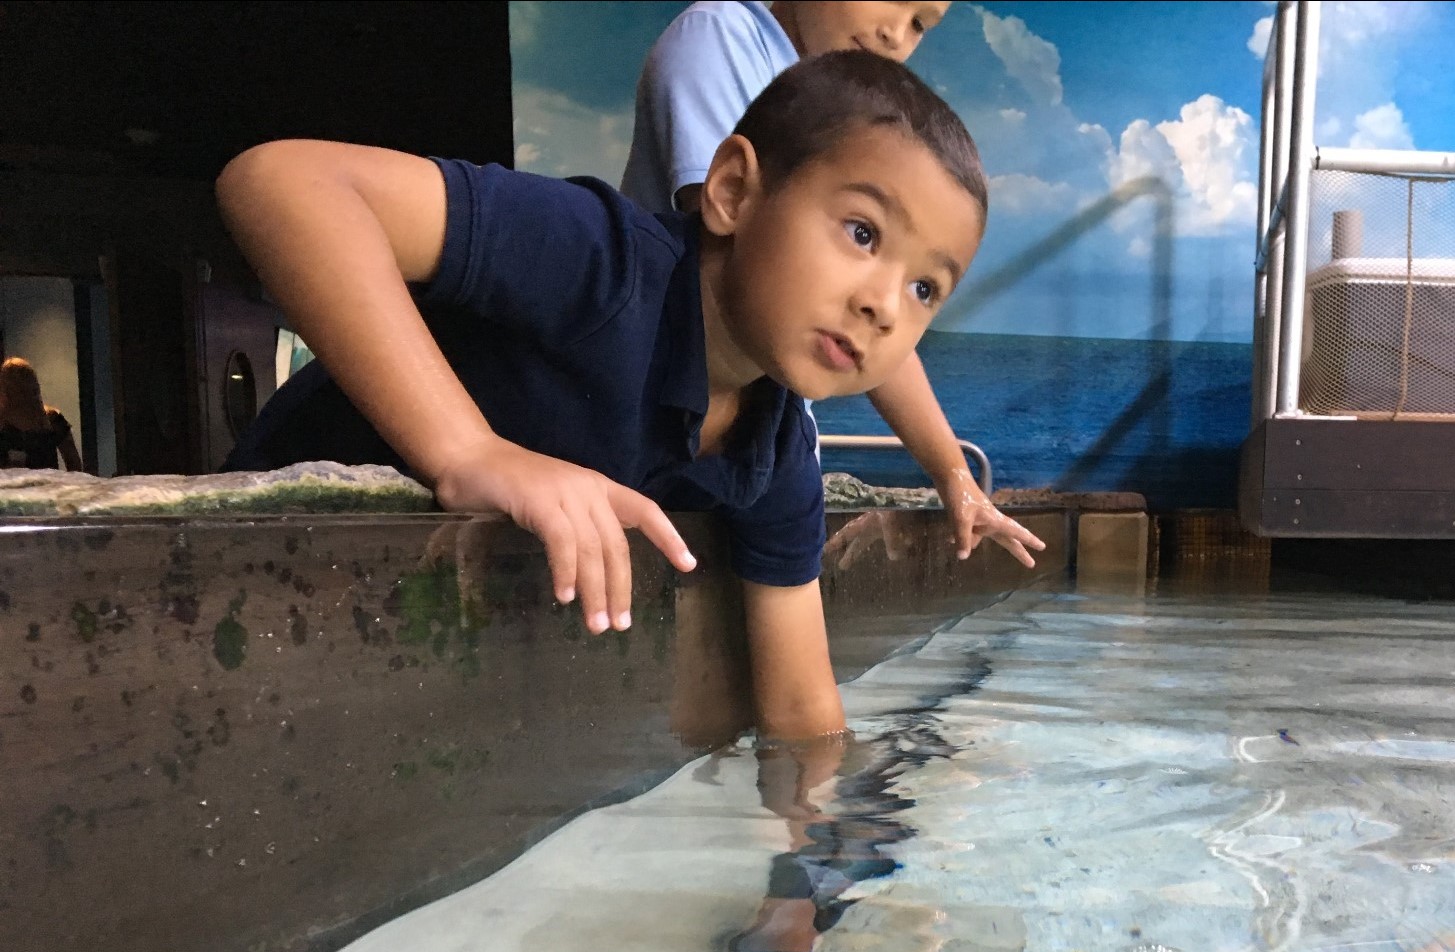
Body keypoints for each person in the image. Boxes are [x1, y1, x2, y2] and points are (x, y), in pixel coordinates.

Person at [218, 51, 988, 742]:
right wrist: (469, 451)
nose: (886, 305)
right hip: (240, 578)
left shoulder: (774, 455)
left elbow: (799, 711)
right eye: (862, 231)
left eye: (926, 288)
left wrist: (810, 887)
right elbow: (284, 183)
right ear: (731, 191)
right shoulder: (600, 260)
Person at [621, 1, 1045, 569]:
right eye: (861, 232)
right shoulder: (723, 35)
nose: (898, 32)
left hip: (755, 457)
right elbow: (745, 253)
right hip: (653, 426)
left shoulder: (781, 444)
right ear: (736, 187)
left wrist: (955, 477)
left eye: (921, 23)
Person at [0, 357, 86, 472]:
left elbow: (74, 464)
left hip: (36, 486)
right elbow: (74, 464)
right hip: (29, 486)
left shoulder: (52, 419)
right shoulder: (51, 420)